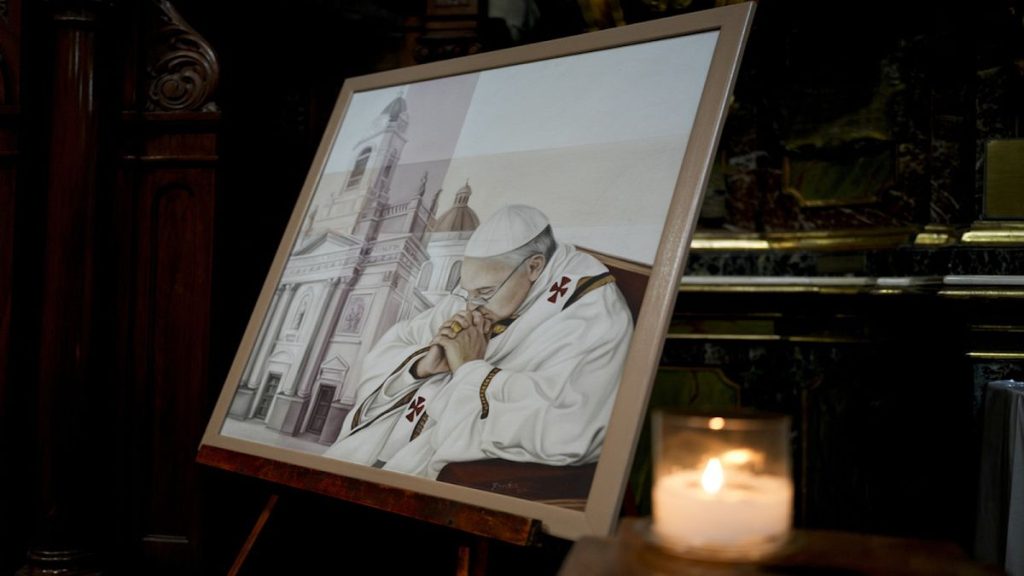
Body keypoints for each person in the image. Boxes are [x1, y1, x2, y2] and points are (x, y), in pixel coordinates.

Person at [323, 204, 634, 479]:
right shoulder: (472, 296)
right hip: (387, 447)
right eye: (467, 292)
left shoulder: (590, 312)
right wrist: (420, 367)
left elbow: (571, 429)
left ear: (535, 266)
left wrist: (471, 369)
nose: (471, 307)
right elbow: (393, 346)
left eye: (484, 293)